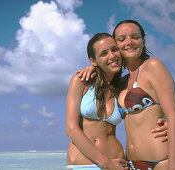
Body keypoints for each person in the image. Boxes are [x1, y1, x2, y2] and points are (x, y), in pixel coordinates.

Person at [77, 20, 175, 170]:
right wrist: (93, 68)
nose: (129, 42)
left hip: (163, 162)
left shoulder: (153, 67)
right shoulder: (121, 82)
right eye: (122, 39)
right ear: (116, 46)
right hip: (131, 164)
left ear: (143, 41)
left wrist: (174, 166)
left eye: (135, 37)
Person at [66, 33, 168, 170]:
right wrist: (106, 163)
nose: (112, 56)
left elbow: (152, 102)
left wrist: (167, 122)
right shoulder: (81, 80)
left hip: (119, 162)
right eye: (103, 53)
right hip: (84, 164)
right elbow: (71, 129)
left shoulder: (122, 87)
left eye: (114, 50)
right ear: (93, 60)